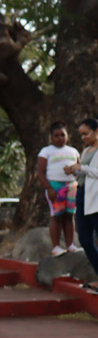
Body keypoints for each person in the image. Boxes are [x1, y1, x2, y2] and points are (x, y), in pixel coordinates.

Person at [37, 121, 81, 256]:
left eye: (63, 135)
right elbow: (40, 172)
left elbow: (79, 169)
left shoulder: (73, 151)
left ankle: (70, 245)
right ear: (51, 137)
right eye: (56, 135)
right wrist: (49, 188)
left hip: (71, 185)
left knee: (69, 215)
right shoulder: (46, 152)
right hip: (55, 186)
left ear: (67, 136)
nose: (60, 138)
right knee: (57, 216)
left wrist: (74, 171)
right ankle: (56, 247)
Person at [64, 118, 98, 290]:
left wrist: (81, 168)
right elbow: (84, 175)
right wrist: (73, 170)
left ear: (96, 131)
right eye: (81, 135)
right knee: (84, 238)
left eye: (86, 133)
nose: (83, 137)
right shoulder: (85, 151)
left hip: (96, 198)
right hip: (82, 194)